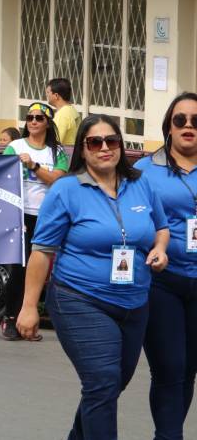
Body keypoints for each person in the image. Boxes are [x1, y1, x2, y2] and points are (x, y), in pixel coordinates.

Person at [17, 114, 169, 439]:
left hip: (134, 301)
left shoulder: (141, 184)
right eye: (94, 142)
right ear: (83, 150)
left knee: (113, 383)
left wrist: (160, 249)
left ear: (120, 146)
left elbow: (161, 229)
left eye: (111, 141)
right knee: (102, 381)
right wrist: (29, 306)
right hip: (80, 298)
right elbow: (42, 251)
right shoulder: (66, 190)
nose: (104, 148)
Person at [135, 92, 197, 439]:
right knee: (169, 368)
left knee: (189, 370)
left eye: (196, 121)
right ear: (169, 127)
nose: (189, 126)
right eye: (180, 120)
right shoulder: (145, 170)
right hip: (162, 283)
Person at [0, 101, 69, 340]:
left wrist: (33, 165)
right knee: (19, 270)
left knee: (45, 270)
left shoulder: (56, 152)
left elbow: (57, 180)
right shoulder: (14, 146)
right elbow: (2, 177)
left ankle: (33, 319)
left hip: (48, 216)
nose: (33, 122)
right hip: (21, 215)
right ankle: (10, 318)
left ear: (48, 123)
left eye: (39, 118)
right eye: (29, 118)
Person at [47, 77, 82, 146]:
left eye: (48, 92)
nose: (47, 95)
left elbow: (54, 143)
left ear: (56, 95)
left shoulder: (62, 115)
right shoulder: (72, 110)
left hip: (64, 155)